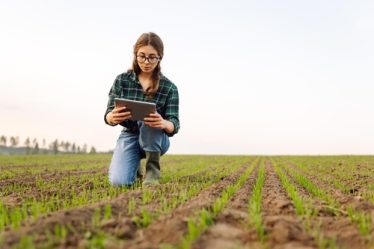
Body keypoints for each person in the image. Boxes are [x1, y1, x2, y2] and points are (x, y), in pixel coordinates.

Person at [104, 32, 179, 187]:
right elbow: (108, 115)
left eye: (152, 57)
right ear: (135, 55)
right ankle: (134, 162)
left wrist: (163, 123)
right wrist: (111, 117)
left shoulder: (169, 87)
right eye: (142, 56)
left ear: (160, 57)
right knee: (119, 183)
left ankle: (152, 173)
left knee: (149, 118)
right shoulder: (122, 80)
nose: (146, 61)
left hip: (156, 138)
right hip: (130, 135)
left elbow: (174, 123)